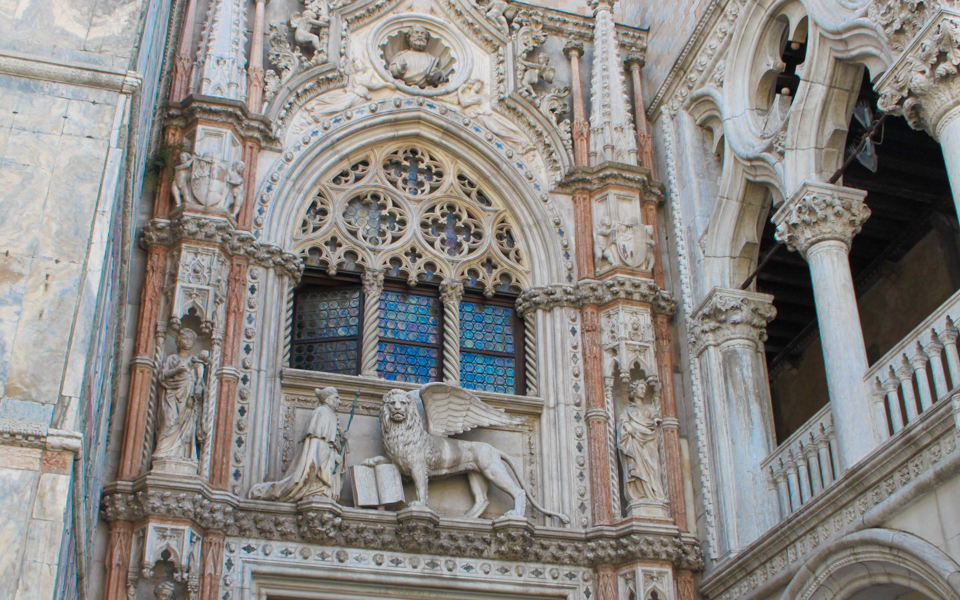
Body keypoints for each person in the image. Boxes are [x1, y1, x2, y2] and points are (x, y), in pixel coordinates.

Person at [249, 387, 346, 502]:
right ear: (328, 399)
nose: (340, 401)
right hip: (321, 465)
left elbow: (331, 444)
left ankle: (320, 489)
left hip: (326, 465)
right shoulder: (323, 412)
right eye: (336, 398)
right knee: (301, 482)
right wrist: (332, 457)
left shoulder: (330, 415)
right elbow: (319, 447)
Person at [154, 329, 205, 464]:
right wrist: (176, 370)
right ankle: (163, 453)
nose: (187, 342)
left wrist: (198, 387)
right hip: (171, 395)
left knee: (186, 426)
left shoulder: (194, 361)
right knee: (169, 421)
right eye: (184, 338)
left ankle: (183, 454)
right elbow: (162, 376)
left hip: (188, 400)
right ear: (178, 340)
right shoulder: (172, 359)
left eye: (190, 340)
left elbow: (200, 382)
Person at [616, 378, 666, 503]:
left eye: (645, 388)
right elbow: (623, 422)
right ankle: (640, 495)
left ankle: (656, 495)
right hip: (635, 441)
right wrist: (628, 428)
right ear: (634, 391)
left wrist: (656, 421)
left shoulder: (650, 408)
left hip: (649, 442)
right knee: (638, 469)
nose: (643, 391)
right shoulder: (628, 410)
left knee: (654, 467)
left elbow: (655, 417)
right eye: (641, 388)